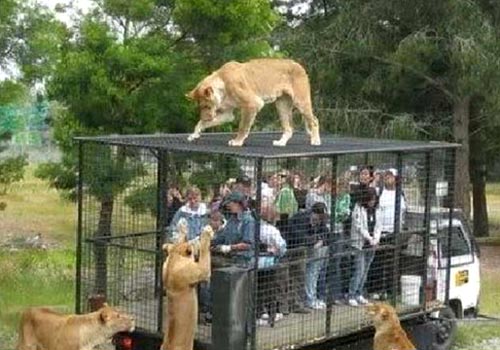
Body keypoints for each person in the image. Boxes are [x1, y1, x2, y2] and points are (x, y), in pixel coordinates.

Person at [369, 168, 407, 300]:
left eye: (391, 176)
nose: (388, 178)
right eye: (386, 176)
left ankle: (391, 290)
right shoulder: (380, 193)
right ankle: (377, 289)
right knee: (379, 262)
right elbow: (377, 215)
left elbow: (403, 215)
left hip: (395, 233)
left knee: (393, 263)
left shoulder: (400, 194)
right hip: (382, 233)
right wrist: (376, 235)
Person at [348, 187, 381, 306]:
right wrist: (369, 238)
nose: (372, 202)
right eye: (370, 200)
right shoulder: (358, 208)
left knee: (366, 270)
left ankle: (359, 293)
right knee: (359, 270)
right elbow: (359, 227)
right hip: (360, 244)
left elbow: (378, 226)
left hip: (371, 245)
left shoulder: (377, 210)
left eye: (374, 200)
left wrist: (376, 239)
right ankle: (351, 294)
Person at [256, 202, 287, 326]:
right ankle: (271, 315)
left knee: (258, 289)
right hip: (268, 264)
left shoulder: (255, 227)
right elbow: (282, 247)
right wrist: (277, 251)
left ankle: (258, 314)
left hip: (255, 264)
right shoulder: (272, 230)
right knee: (270, 289)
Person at [211, 191, 255, 267]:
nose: (228, 205)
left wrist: (230, 247)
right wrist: (208, 241)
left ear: (238, 203)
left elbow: (248, 244)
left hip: (243, 262)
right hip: (230, 259)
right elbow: (222, 237)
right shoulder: (231, 220)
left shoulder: (248, 220)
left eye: (230, 203)